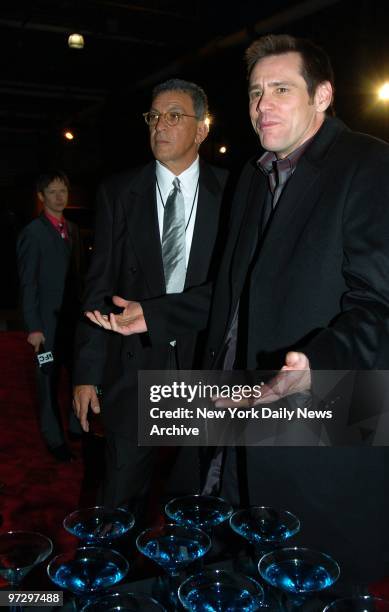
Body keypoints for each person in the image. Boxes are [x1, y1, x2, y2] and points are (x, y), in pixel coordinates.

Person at [202, 34, 389, 584]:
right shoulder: (255, 177)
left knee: (316, 579)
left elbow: (380, 302)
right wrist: (158, 313)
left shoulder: (371, 164)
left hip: (326, 416)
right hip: (241, 412)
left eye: (281, 89)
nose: (263, 106)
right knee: (246, 569)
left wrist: (316, 363)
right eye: (257, 92)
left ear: (323, 96)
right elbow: (239, 288)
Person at [73, 79, 229, 517]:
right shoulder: (119, 191)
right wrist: (86, 373)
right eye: (154, 116)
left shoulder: (234, 192)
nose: (160, 125)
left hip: (204, 363)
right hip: (133, 365)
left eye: (175, 115)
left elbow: (234, 287)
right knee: (120, 499)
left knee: (198, 502)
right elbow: (98, 286)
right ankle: (113, 582)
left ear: (201, 129)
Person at [17, 170, 84, 461]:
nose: (59, 197)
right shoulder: (32, 233)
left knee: (78, 375)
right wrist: (33, 327)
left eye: (63, 191)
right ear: (41, 196)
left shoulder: (73, 229)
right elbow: (27, 284)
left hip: (72, 323)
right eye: (53, 192)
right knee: (47, 381)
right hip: (46, 326)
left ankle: (75, 426)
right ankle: (53, 438)